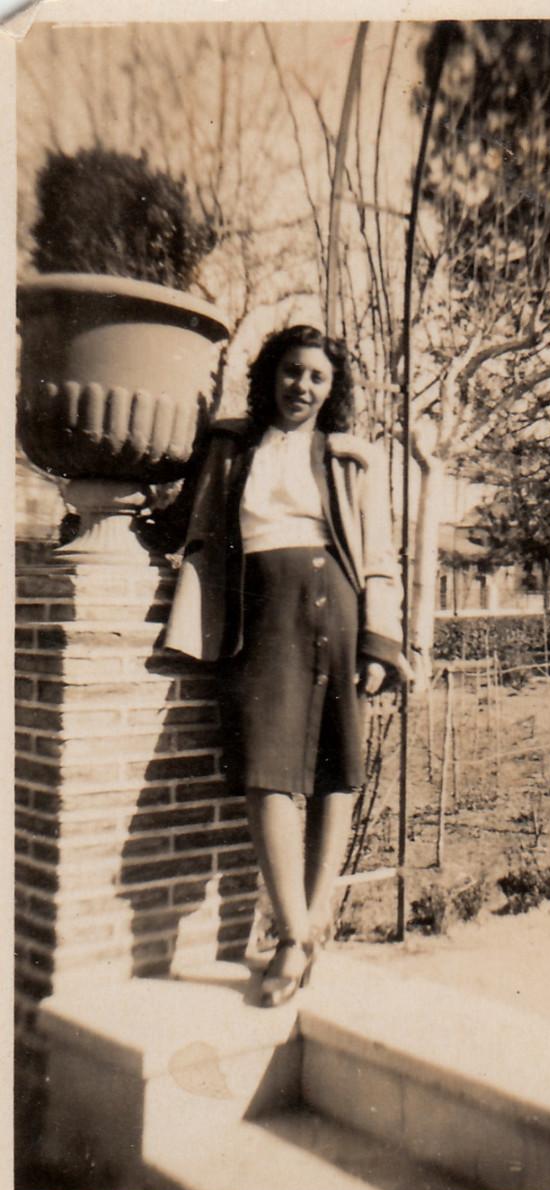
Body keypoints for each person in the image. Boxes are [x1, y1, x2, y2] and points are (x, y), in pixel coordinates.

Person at [164, 325, 408, 1005]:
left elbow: (380, 556)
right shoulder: (233, 445)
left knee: (334, 767)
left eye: (318, 378)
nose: (303, 386)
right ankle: (294, 931)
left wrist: (380, 644)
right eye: (293, 372)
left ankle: (310, 921)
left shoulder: (349, 457)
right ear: (272, 374)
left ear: (332, 391)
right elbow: (192, 522)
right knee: (265, 771)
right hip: (259, 611)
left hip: (335, 603)